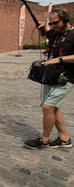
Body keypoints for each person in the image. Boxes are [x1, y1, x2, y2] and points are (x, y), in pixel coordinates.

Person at [25, 8, 74, 150]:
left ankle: (44, 140)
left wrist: (59, 59)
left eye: (55, 23)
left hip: (66, 78)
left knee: (47, 107)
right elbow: (47, 34)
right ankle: (64, 139)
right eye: (50, 24)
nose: (52, 26)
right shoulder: (55, 33)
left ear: (65, 20)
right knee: (53, 108)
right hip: (51, 76)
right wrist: (42, 29)